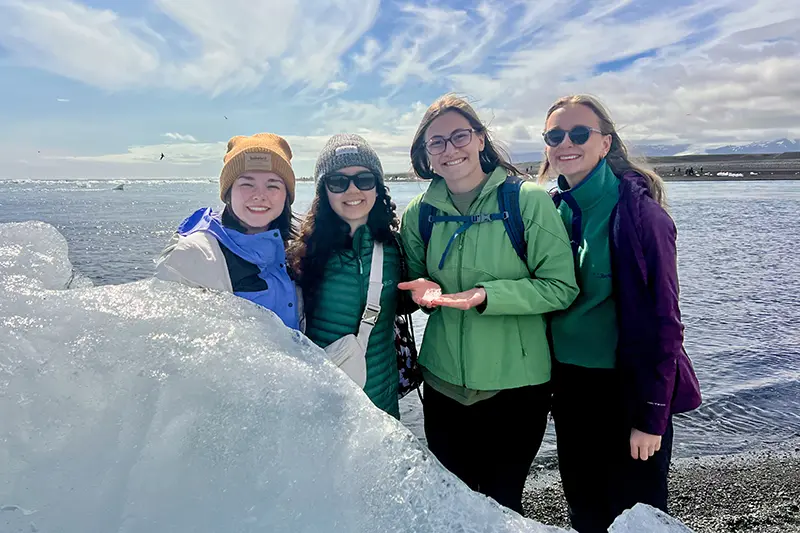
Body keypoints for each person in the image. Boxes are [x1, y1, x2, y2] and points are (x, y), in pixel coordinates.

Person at [398, 93, 579, 513]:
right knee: (454, 506)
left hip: (517, 389)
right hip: (443, 386)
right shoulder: (419, 213)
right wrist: (420, 292)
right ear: (426, 155)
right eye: (436, 143)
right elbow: (415, 288)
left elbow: (560, 287)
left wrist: (487, 296)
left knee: (503, 504)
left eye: (459, 136)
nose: (450, 149)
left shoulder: (526, 201)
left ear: (480, 139)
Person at [537, 94, 702, 532]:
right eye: (555, 135)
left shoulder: (642, 217)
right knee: (585, 513)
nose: (565, 142)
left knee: (639, 519)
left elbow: (666, 325)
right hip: (571, 393)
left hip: (627, 392)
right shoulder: (549, 210)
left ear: (606, 143)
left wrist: (651, 418)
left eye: (578, 133)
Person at [289, 134, 407, 419]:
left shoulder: (398, 249)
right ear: (324, 191)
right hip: (323, 405)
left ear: (378, 187)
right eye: (338, 182)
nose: (352, 190)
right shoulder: (302, 251)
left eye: (364, 180)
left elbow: (411, 301)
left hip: (381, 408)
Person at [154, 133, 303, 331]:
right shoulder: (192, 256)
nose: (259, 195)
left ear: (286, 196)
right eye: (247, 184)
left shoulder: (295, 249)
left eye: (272, 185)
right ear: (228, 193)